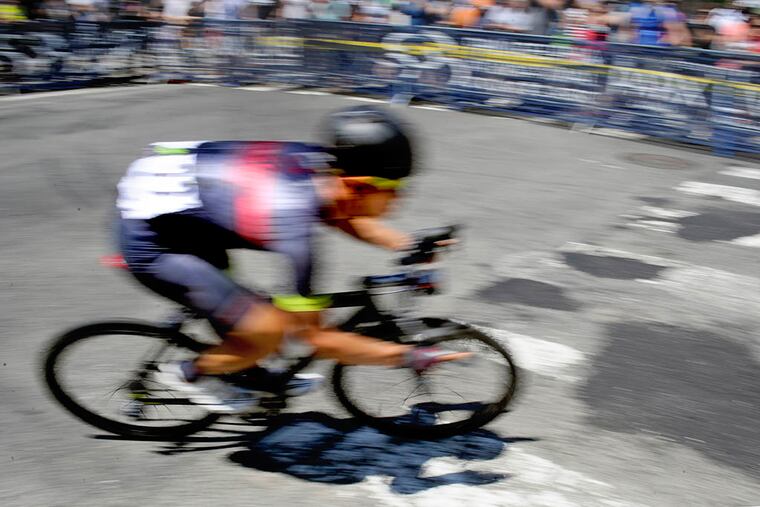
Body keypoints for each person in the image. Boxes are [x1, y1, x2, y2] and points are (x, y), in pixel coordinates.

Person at [116, 106, 467, 413]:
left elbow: (342, 214)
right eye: (395, 188)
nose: (400, 199)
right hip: (155, 242)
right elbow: (318, 340)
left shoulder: (324, 169)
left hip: (182, 217)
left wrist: (407, 246)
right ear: (361, 184)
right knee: (269, 331)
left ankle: (249, 372)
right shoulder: (292, 221)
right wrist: (408, 357)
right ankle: (189, 374)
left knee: (255, 315)